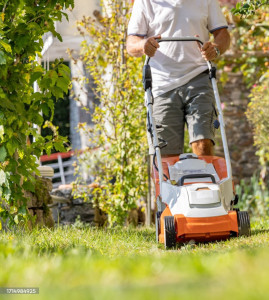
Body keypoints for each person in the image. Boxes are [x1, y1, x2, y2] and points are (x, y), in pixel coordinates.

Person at [126, 0, 230, 157]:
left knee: (202, 144)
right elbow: (131, 44)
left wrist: (215, 49)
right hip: (161, 84)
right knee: (165, 158)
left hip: (198, 77)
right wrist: (143, 45)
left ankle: (205, 180)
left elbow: (223, 34)